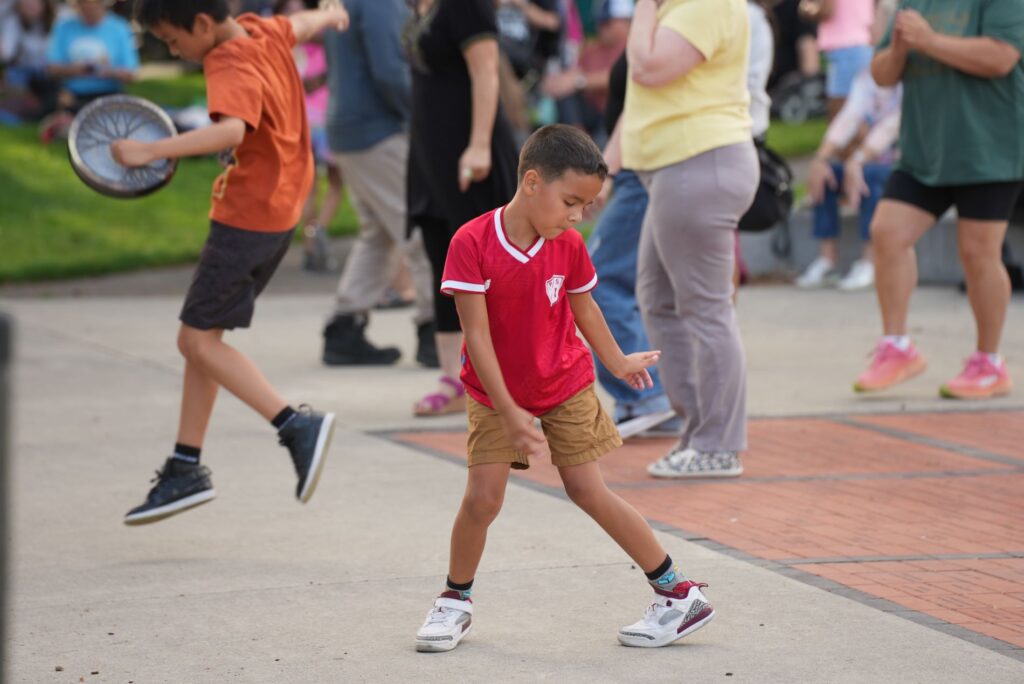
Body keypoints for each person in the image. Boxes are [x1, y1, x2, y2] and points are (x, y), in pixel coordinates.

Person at [414, 125, 716, 652]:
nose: (578, 215)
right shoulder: (472, 242)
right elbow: (477, 338)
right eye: (571, 201)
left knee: (587, 489)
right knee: (482, 500)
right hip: (493, 392)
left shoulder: (568, 244)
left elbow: (585, 307)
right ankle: (453, 602)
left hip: (565, 382)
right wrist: (508, 411)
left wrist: (617, 361)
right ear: (532, 182)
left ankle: (677, 595)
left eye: (587, 205)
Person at [112, 0, 348, 525]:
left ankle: (294, 425)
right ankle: (185, 464)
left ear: (201, 23)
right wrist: (330, 15)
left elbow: (231, 131)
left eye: (173, 42)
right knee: (207, 340)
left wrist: (151, 151)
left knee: (193, 341)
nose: (176, 52)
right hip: (282, 210)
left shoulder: (227, 59)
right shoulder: (262, 30)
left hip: (247, 217)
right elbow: (301, 25)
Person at [855, 1, 1023, 400]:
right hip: (924, 150)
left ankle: (990, 363)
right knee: (888, 233)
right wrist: (898, 50)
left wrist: (929, 41)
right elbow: (880, 74)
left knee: (979, 253)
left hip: (988, 149)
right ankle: (896, 348)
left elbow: (1001, 57)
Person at [622, 0, 759, 478]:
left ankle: (717, 443)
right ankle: (698, 432)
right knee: (658, 299)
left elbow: (648, 67)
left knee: (706, 307)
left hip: (698, 161)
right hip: (673, 167)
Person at [405, 0, 519, 417]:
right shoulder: (420, 6)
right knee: (443, 259)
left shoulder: (466, 4)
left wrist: (478, 144)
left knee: (491, 266)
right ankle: (455, 379)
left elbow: (485, 71)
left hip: (469, 151)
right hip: (431, 154)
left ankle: (513, 375)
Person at [319, 0, 437, 367]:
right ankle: (436, 330)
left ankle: (344, 326)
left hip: (349, 126)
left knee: (380, 234)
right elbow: (389, 70)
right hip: (378, 130)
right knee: (419, 226)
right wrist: (423, 115)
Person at [797, 69, 900, 290]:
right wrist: (820, 159)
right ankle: (827, 260)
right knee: (826, 175)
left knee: (869, 177)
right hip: (862, 161)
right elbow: (848, 119)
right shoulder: (866, 78)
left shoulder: (909, 79)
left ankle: (870, 261)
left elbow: (892, 127)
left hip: (898, 165)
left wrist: (858, 160)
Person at [275, 0, 344, 272]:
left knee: (309, 188)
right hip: (325, 119)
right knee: (337, 183)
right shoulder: (325, 47)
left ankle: (309, 244)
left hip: (300, 122)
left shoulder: (285, 50)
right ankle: (320, 231)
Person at [45, 0, 138, 111]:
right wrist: (76, 70)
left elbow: (131, 74)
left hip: (109, 94)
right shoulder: (64, 27)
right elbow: (52, 69)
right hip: (73, 95)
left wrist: (106, 72)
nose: (89, 8)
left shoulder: (119, 27)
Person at [799, 0, 874, 119]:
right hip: (863, 47)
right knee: (860, 113)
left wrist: (806, 8)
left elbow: (826, 11)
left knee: (840, 115)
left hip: (845, 50)